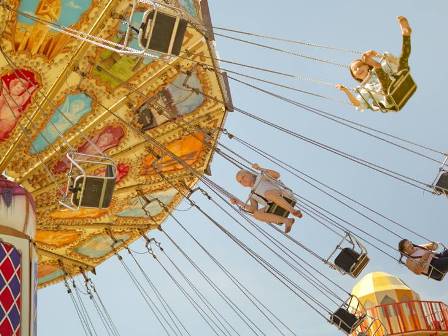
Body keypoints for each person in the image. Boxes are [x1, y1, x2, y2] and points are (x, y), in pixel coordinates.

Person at [336, 16, 413, 112]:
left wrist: (377, 55)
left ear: (367, 66)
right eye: (354, 70)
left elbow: (396, 62)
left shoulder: (379, 69)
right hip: (389, 98)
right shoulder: (365, 88)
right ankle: (376, 65)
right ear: (356, 77)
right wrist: (346, 91)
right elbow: (358, 103)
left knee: (402, 62)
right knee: (384, 81)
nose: (358, 69)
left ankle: (406, 34)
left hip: (397, 83)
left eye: (359, 66)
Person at [230, 163, 302, 233]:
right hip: (273, 206)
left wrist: (260, 168)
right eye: (240, 181)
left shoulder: (261, 176)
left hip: (284, 196)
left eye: (243, 177)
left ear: (250, 174)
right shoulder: (252, 195)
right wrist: (239, 202)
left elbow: (277, 175)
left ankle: (293, 211)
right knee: (256, 214)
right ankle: (287, 221)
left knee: (268, 194)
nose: (242, 181)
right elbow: (253, 209)